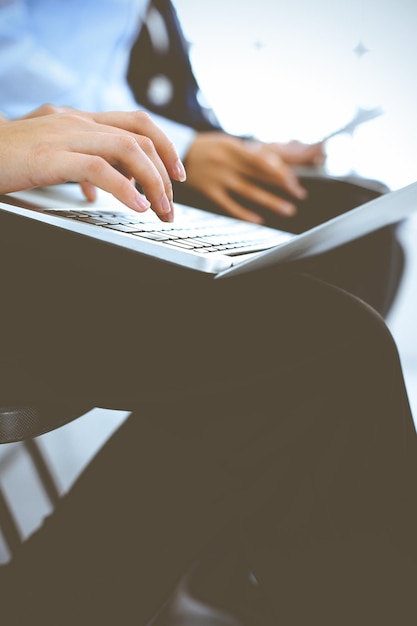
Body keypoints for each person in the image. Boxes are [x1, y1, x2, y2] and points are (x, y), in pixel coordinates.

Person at [0, 108, 416, 626]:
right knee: (325, 348)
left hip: (51, 183)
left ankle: (72, 597)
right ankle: (63, 599)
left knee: (354, 241)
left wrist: (214, 143)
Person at [0, 0, 405, 315]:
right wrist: (185, 147)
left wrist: (235, 146)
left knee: (361, 228)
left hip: (85, 143)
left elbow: (108, 87)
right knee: (345, 288)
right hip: (33, 149)